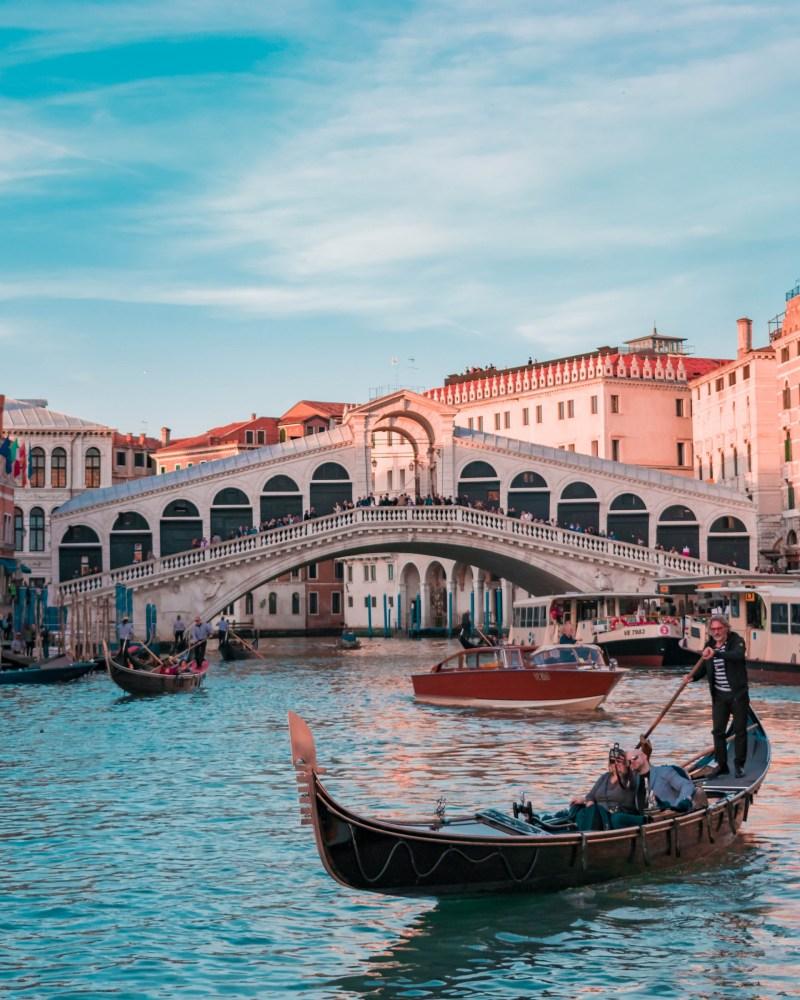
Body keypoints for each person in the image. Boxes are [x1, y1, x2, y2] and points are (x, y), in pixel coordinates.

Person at [693, 614, 749, 778]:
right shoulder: (709, 645)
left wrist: (716, 653)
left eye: (719, 628)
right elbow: (703, 667)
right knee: (718, 732)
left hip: (738, 695)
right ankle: (722, 764)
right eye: (714, 629)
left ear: (726, 628)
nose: (716, 632)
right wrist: (692, 677)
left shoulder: (736, 641)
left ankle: (739, 765)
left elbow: (737, 656)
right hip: (719, 697)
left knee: (740, 731)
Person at [570, 743, 643, 830]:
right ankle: (567, 826)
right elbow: (590, 796)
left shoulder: (631, 777)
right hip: (598, 813)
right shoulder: (605, 777)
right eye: (612, 761)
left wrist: (626, 766)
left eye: (619, 761)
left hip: (616, 814)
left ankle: (587, 833)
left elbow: (639, 772)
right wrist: (586, 801)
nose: (615, 764)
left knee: (599, 813)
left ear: (626, 764)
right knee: (576, 807)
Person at [628, 740, 700, 812]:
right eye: (629, 761)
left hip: (668, 816)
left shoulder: (664, 771)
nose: (632, 761)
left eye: (634, 758)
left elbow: (687, 785)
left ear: (644, 756)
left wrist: (677, 805)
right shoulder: (632, 780)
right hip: (644, 820)